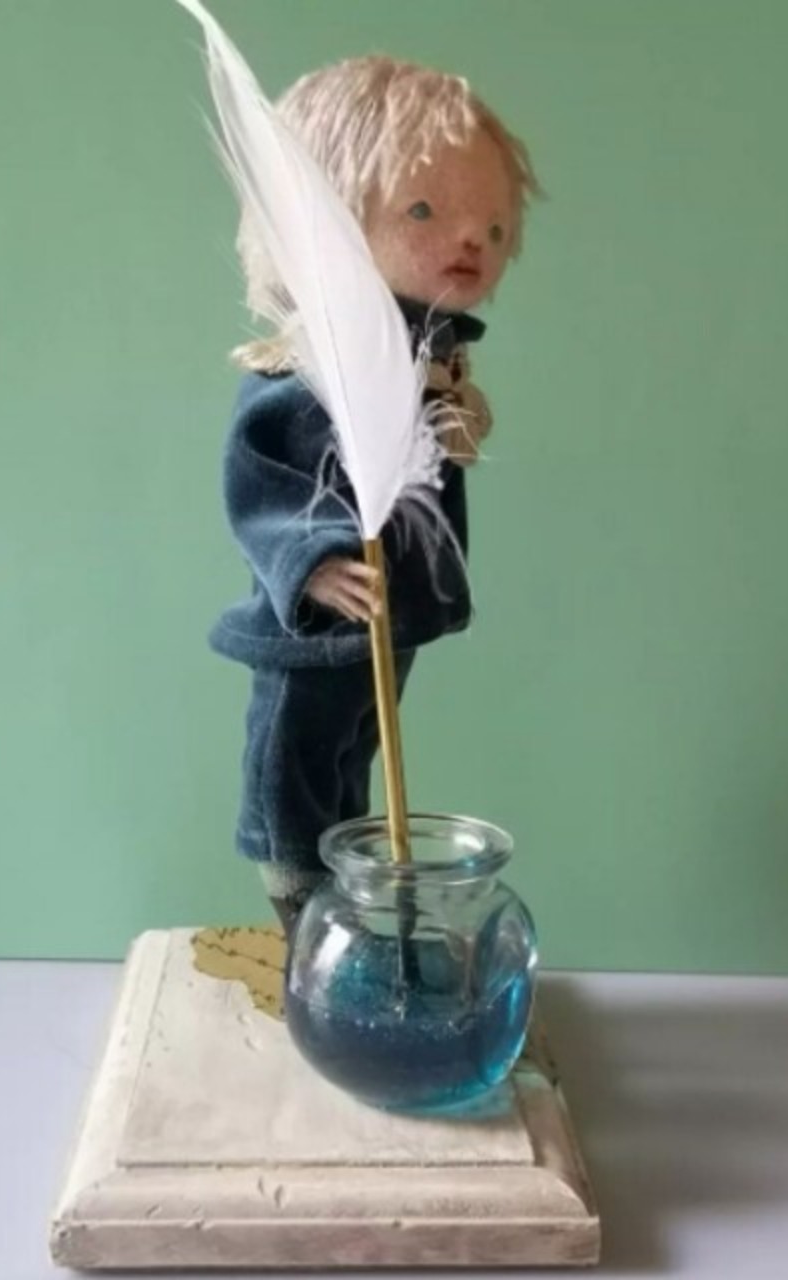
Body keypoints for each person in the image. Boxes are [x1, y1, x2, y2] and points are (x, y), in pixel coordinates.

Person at [209, 55, 540, 932]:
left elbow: (423, 468)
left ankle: (351, 902)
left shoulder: (424, 359)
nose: (472, 241)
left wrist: (452, 420)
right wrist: (311, 562)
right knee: (296, 759)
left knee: (359, 747)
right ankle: (300, 901)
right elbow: (262, 478)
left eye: (494, 226)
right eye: (424, 211)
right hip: (319, 623)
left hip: (394, 611)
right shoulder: (313, 370)